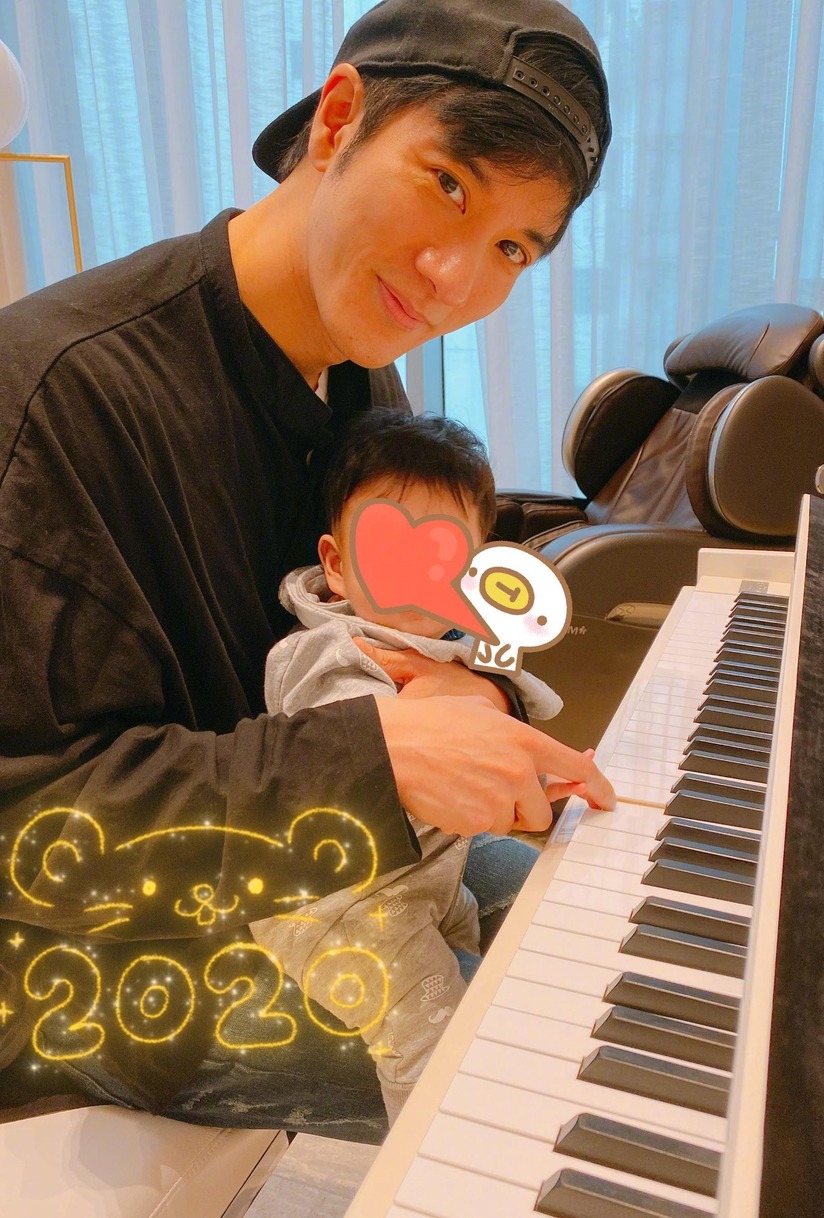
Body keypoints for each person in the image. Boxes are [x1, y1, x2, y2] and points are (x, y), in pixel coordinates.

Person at [0, 0, 614, 1140]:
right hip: (93, 969)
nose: (454, 279)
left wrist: (460, 691)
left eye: (512, 249)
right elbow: (34, 838)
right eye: (449, 184)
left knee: (599, 917)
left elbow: (392, 621)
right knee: (534, 1067)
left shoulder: (358, 381)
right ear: (339, 119)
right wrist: (375, 759)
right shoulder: (56, 397)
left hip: (310, 872)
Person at [252, 409, 566, 1124]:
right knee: (436, 1044)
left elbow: (512, 720)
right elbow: (357, 753)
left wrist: (549, 772)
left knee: (531, 894)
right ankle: (434, 1159)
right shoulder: (325, 654)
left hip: (428, 869)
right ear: (337, 564)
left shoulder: (449, 639)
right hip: (340, 905)